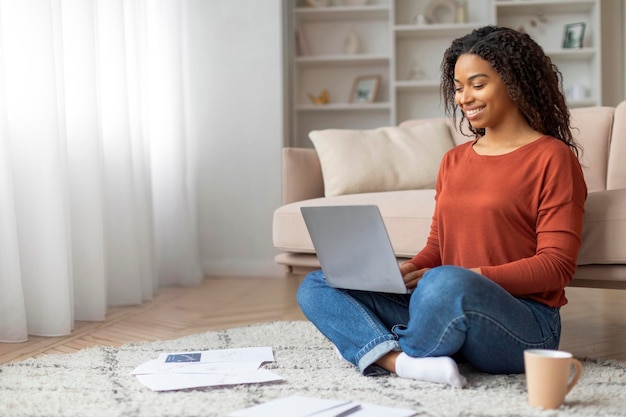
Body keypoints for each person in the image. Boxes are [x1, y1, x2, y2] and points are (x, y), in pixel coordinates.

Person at [296, 25, 587, 388]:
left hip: (524, 326)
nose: (464, 98)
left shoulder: (552, 158)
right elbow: (438, 245)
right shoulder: (453, 160)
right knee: (317, 284)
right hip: (444, 298)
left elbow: (556, 267)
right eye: (459, 87)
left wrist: (470, 277)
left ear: (515, 83)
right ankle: (398, 361)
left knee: (445, 282)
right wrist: (407, 270)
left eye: (478, 85)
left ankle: (371, 345)